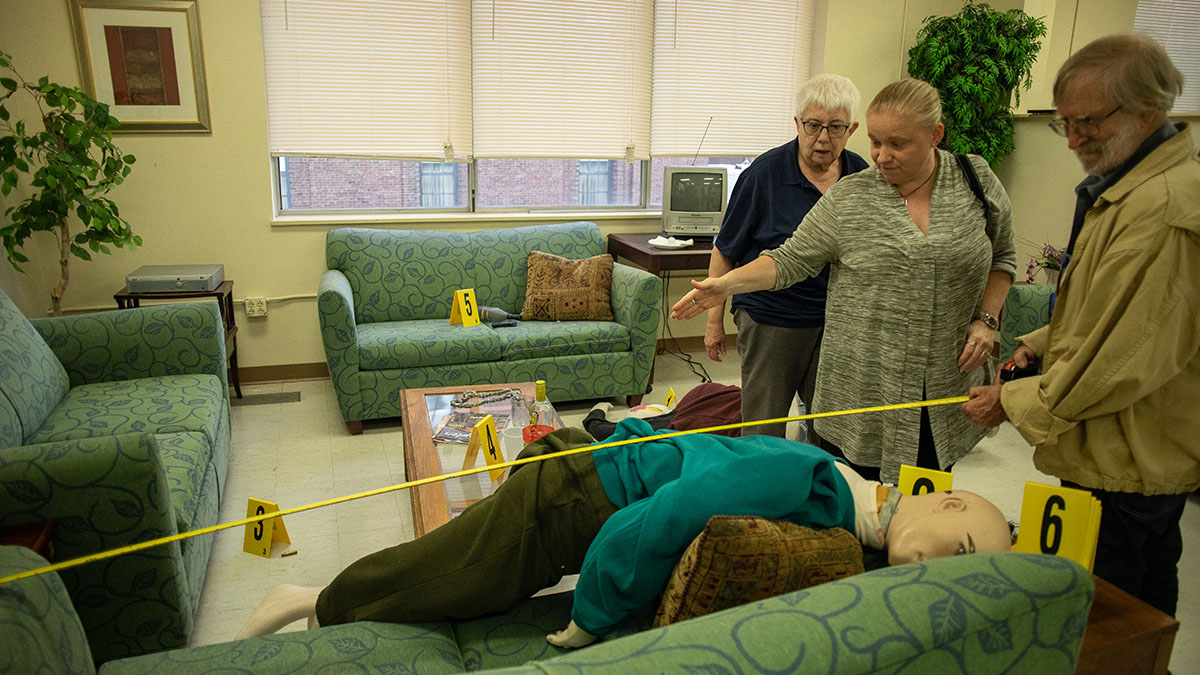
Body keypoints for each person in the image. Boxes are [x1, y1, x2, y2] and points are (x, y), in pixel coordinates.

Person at [234, 422, 1013, 648]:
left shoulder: (847, 509)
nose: (948, 566)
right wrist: (593, 616)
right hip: (575, 493)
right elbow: (667, 515)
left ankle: (313, 596)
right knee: (451, 578)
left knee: (457, 569)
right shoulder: (814, 481)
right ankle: (310, 598)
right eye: (964, 549)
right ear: (942, 505)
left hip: (585, 482)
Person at [673, 78, 1015, 483]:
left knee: (929, 494)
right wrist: (724, 286)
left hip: (943, 377)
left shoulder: (975, 180)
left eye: (897, 144)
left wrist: (986, 318)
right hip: (860, 372)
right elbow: (789, 259)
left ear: (935, 135)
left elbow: (1003, 255)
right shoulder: (849, 195)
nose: (882, 156)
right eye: (876, 143)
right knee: (850, 487)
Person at [962, 34, 1200, 618]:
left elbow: (1121, 357)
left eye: (1087, 122)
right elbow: (1102, 307)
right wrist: (1039, 346)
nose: (1072, 140)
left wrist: (1014, 402)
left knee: (1117, 608)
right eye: (1063, 123)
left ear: (1148, 109)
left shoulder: (1162, 210)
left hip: (1129, 454)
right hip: (1110, 444)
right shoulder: (1127, 188)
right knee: (1132, 592)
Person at [705, 73, 868, 441]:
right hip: (772, 317)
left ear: (851, 129)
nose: (823, 138)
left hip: (836, 322)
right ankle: (762, 495)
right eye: (813, 126)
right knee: (764, 426)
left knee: (831, 428)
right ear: (797, 124)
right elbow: (725, 249)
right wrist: (714, 320)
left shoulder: (862, 176)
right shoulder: (763, 175)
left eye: (835, 127)